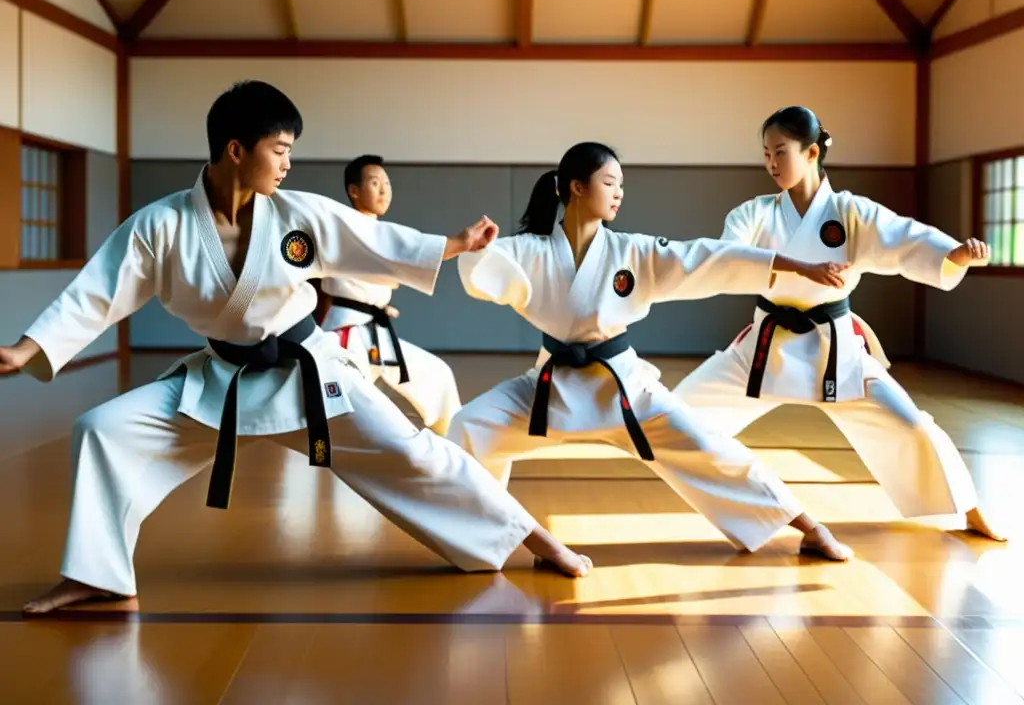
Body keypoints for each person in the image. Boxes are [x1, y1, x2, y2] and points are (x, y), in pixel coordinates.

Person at [1, 81, 592, 616]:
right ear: (236, 149)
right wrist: (28, 349)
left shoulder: (298, 213)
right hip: (221, 382)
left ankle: (532, 538)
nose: (288, 162)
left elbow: (373, 239)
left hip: (309, 375)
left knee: (416, 453)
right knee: (102, 431)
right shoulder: (160, 226)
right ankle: (99, 575)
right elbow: (98, 291)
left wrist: (454, 244)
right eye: (279, 148)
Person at [446, 141, 855, 562]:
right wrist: (475, 248)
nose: (620, 192)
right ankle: (499, 538)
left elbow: (704, 257)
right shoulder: (531, 250)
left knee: (711, 448)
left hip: (625, 390)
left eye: (622, 185)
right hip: (549, 389)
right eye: (610, 182)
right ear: (577, 187)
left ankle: (809, 527)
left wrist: (793, 265)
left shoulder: (632, 251)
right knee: (467, 427)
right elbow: (483, 267)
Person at [672, 105, 1003, 542]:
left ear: (811, 153)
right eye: (766, 154)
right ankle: (771, 511)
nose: (771, 163)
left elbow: (904, 237)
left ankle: (970, 508)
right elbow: (727, 257)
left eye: (780, 152)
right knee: (675, 417)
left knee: (913, 425)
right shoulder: (754, 213)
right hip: (764, 349)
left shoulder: (851, 212)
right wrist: (798, 268)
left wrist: (953, 254)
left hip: (837, 350)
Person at [317, 154, 461, 435]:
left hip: (374, 331)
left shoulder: (379, 232)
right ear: (354, 191)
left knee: (437, 375)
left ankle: (457, 443)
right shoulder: (344, 227)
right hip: (347, 334)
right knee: (343, 413)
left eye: (387, 182)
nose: (384, 189)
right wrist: (459, 244)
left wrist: (379, 305)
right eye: (374, 182)